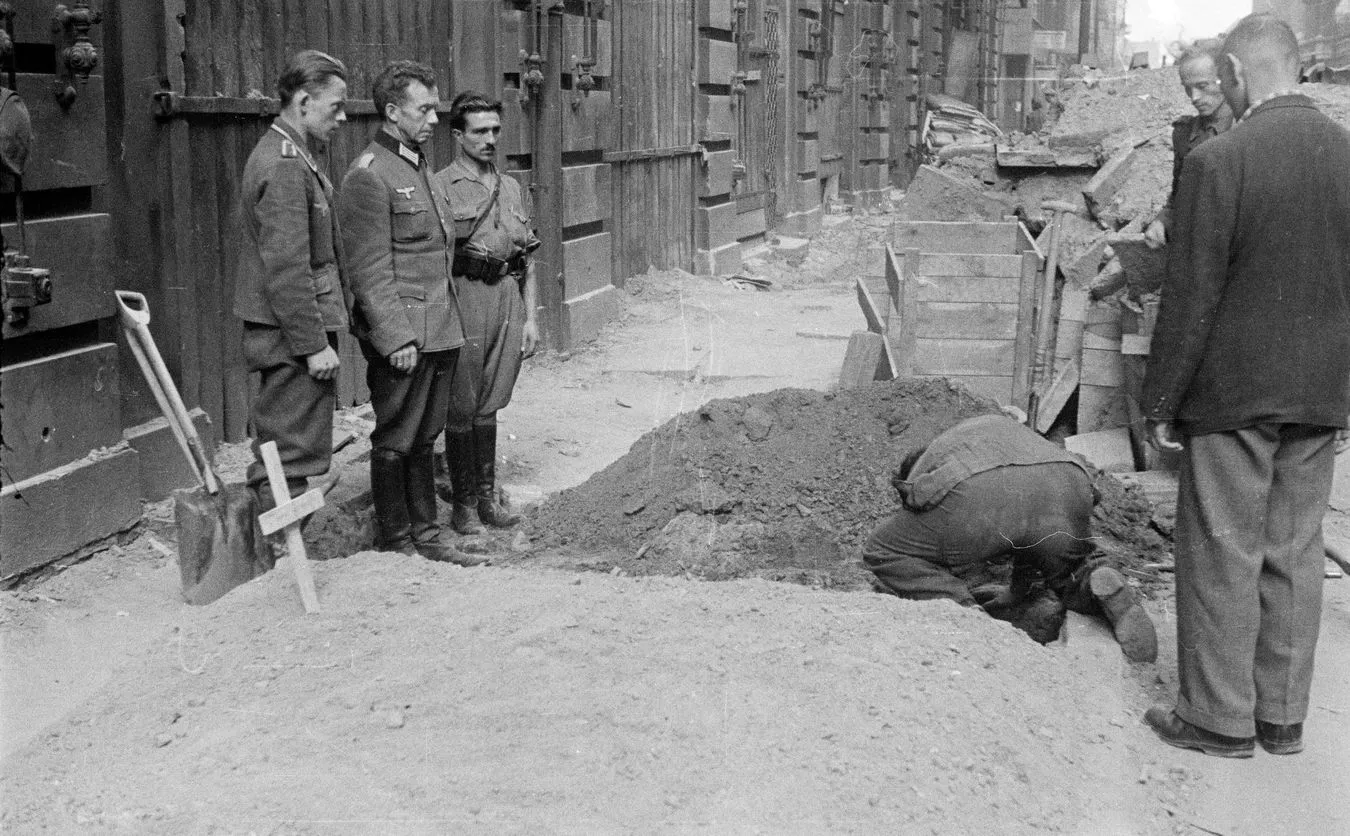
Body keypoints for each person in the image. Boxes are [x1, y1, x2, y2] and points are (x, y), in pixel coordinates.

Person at [1141, 14, 1350, 759]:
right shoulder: (1346, 152)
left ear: (1233, 70)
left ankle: (1217, 719)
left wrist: (1160, 402)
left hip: (1234, 394)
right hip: (1322, 389)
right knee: (1295, 548)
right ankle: (1281, 718)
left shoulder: (1219, 161)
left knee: (1224, 548)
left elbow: (1191, 295)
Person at [339, 60, 484, 566]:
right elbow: (368, 269)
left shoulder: (417, 166)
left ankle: (427, 535)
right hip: (404, 335)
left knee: (425, 436)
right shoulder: (370, 175)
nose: (433, 118)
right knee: (397, 436)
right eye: (423, 109)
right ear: (392, 110)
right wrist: (394, 338)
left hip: (439, 329)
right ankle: (396, 540)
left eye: (435, 108)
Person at [862, 414, 1158, 662]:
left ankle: (962, 610)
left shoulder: (923, 471)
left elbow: (918, 513)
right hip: (1066, 482)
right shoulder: (977, 432)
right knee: (1070, 566)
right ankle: (1096, 578)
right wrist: (1016, 592)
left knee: (884, 549)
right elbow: (1025, 533)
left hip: (979, 492)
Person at [233, 50, 348, 510]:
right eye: (335, 106)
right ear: (303, 101)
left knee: (290, 447)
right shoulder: (284, 164)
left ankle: (279, 554)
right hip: (289, 336)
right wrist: (313, 343)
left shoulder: (294, 154)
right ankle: (279, 560)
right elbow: (287, 268)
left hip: (288, 331)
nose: (342, 118)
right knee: (290, 457)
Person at [433, 92, 541, 535]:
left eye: (495, 130)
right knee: (462, 404)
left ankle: (486, 500)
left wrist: (532, 319)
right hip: (465, 295)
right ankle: (462, 505)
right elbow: (434, 258)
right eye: (480, 131)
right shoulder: (440, 185)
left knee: (491, 402)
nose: (490, 139)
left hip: (507, 297)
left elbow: (529, 258)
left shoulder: (512, 186)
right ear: (458, 135)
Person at [1143, 43, 1234, 249]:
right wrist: (1163, 221)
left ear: (1226, 80)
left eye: (1203, 86)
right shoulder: (1184, 135)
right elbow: (1179, 196)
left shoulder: (1249, 129)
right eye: (1187, 88)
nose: (1194, 98)